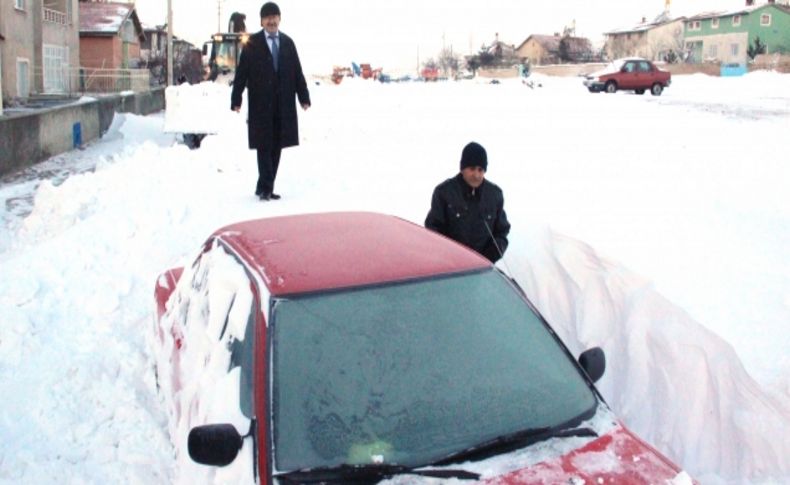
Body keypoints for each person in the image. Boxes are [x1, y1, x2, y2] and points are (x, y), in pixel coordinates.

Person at [231, 2, 311, 201]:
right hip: (261, 104)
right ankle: (267, 188)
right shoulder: (252, 44)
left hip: (283, 104)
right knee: (263, 145)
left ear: (279, 19)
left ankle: (264, 185)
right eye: (267, 17)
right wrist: (237, 98)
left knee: (277, 145)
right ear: (261, 21)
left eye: (274, 16)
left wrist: (304, 97)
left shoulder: (288, 43)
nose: (271, 20)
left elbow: (297, 73)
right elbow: (241, 74)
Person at [425, 142, 511, 263]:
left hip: (483, 268)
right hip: (451, 267)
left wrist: (489, 257)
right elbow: (433, 230)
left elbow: (502, 232)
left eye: (480, 170)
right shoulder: (444, 192)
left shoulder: (495, 195)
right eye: (472, 169)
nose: (476, 175)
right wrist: (448, 258)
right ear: (462, 168)